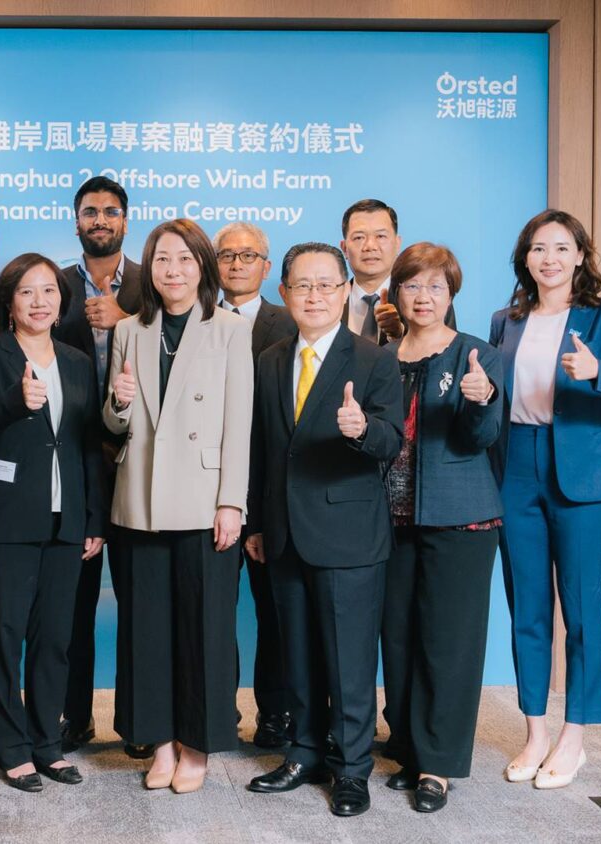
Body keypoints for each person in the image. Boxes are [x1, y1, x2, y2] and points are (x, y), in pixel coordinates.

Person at [490, 209, 601, 789]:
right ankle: (536, 730)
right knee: (527, 608)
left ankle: (575, 736)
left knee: (583, 610)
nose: (550, 259)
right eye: (539, 248)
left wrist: (598, 371)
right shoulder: (505, 321)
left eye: (562, 248)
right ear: (526, 258)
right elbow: (494, 396)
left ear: (580, 256)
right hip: (515, 468)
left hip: (583, 480)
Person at [244, 242, 402, 818]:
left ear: (344, 292)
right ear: (283, 293)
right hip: (283, 532)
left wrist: (362, 430)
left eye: (325, 285)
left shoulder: (373, 359)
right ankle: (304, 754)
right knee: (299, 655)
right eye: (301, 286)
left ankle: (352, 769)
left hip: (349, 533)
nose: (314, 296)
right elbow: (264, 448)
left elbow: (392, 440)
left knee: (349, 660)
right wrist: (257, 524)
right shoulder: (270, 358)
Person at [103, 218, 253, 794]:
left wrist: (231, 503)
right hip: (138, 498)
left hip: (203, 499)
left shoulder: (230, 330)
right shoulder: (130, 331)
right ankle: (158, 742)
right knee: (145, 630)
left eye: (186, 259)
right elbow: (114, 422)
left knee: (205, 631)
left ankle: (197, 746)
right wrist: (117, 405)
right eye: (163, 259)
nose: (173, 270)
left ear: (203, 266)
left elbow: (237, 425)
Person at [0, 253, 106, 792]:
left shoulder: (74, 359)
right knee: (4, 635)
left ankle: (48, 741)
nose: (40, 301)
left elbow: (88, 442)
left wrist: (93, 517)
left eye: (49, 291)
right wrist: (13, 403)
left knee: (55, 639)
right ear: (9, 302)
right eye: (27, 292)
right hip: (7, 518)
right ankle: (12, 745)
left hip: (66, 518)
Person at [378, 243, 505, 813]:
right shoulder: (380, 356)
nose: (423, 297)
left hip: (461, 521)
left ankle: (440, 764)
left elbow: (481, 437)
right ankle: (408, 746)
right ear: (395, 294)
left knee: (448, 644)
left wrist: (481, 401)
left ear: (451, 294)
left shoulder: (477, 355)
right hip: (389, 522)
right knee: (399, 637)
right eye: (412, 286)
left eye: (436, 287)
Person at [50, 176, 147, 756]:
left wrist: (126, 315)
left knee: (141, 599)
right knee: (73, 599)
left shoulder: (150, 283)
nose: (101, 220)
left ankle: (139, 721)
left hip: (141, 457)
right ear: (77, 221)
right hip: (76, 456)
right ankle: (73, 715)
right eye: (91, 212)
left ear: (125, 222)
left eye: (111, 212)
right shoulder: (52, 284)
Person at [213, 221, 296, 750]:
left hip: (269, 495)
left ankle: (276, 715)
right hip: (208, 492)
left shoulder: (291, 323)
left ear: (268, 267)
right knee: (214, 614)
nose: (238, 263)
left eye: (250, 255)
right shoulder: (192, 320)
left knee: (276, 614)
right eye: (227, 254)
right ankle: (217, 713)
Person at [338, 199, 457, 343]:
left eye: (380, 236)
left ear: (397, 244)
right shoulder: (330, 301)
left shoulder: (426, 299)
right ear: (344, 248)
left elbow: (446, 356)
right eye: (359, 237)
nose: (370, 246)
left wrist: (400, 335)